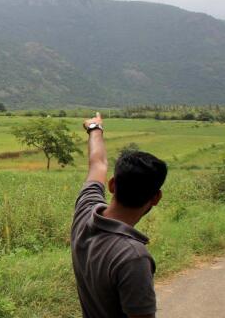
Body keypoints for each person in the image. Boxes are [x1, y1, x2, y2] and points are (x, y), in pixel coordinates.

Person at [71, 113, 167, 318]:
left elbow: (97, 163)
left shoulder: (85, 210)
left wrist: (95, 127)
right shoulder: (133, 257)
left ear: (113, 184)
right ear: (156, 198)